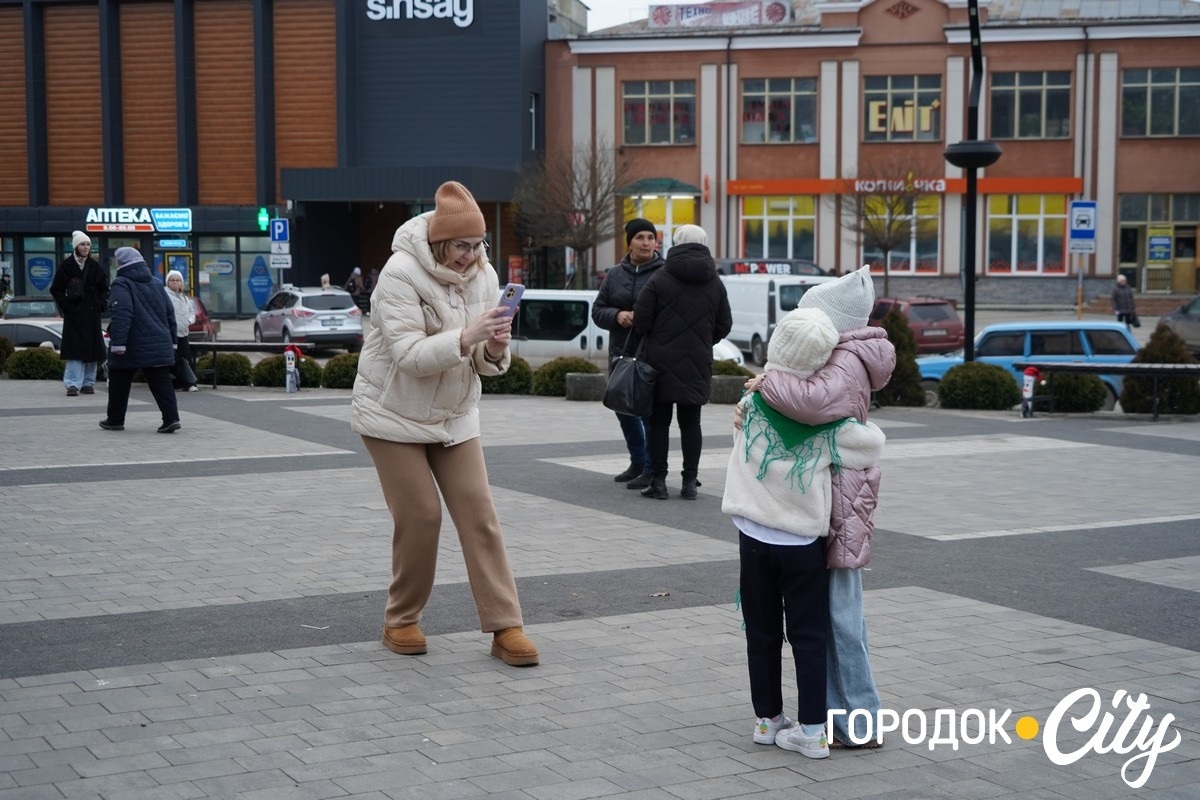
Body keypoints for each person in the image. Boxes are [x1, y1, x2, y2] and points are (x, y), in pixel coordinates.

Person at [350, 180, 538, 667]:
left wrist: (494, 347)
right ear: (439, 240)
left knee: (480, 513)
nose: (470, 256)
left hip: (454, 413)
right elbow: (409, 356)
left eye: (478, 246)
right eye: (461, 245)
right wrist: (466, 335)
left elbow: (483, 361)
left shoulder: (484, 275)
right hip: (393, 413)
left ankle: (506, 626)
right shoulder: (399, 273)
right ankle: (401, 619)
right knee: (421, 516)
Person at [723, 307, 887, 758]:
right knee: (808, 635)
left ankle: (767, 719)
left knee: (761, 630)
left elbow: (738, 444)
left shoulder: (752, 403)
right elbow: (872, 445)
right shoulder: (827, 426)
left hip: (752, 535)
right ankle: (813, 730)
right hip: (801, 542)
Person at [631, 224, 732, 500]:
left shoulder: (660, 278)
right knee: (691, 422)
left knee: (659, 422)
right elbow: (725, 324)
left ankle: (660, 482)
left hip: (659, 362)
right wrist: (702, 342)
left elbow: (641, 320)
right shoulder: (714, 281)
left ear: (675, 243)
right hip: (697, 361)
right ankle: (689, 482)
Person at [591, 218, 665, 489]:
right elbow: (597, 310)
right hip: (621, 353)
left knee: (648, 412)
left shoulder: (663, 272)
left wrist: (644, 318)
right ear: (630, 242)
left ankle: (650, 467)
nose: (646, 242)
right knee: (623, 409)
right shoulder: (615, 274)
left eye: (650, 237)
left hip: (650, 353)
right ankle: (636, 461)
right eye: (640, 238)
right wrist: (617, 315)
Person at [99, 247, 181, 434]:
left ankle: (115, 419)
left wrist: (118, 343)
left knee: (119, 379)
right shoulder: (156, 282)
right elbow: (170, 313)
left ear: (120, 264)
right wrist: (173, 341)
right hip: (160, 342)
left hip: (131, 344)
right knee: (161, 381)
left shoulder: (121, 284)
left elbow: (122, 314)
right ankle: (171, 419)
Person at [50, 231, 109, 396]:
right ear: (76, 246)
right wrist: (66, 306)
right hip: (74, 314)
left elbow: (105, 289)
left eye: (88, 244)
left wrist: (100, 304)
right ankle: (72, 385)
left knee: (92, 351)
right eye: (82, 244)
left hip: (91, 314)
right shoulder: (66, 266)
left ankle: (88, 383)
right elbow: (56, 289)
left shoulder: (95, 266)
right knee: (75, 351)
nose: (86, 247)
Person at [164, 270, 198, 392]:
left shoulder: (185, 297)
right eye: (172, 280)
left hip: (183, 333)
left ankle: (188, 382)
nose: (175, 282)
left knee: (185, 359)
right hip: (170, 334)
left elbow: (192, 312)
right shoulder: (165, 294)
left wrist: (189, 321)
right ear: (168, 282)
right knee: (173, 361)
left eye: (177, 280)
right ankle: (178, 382)